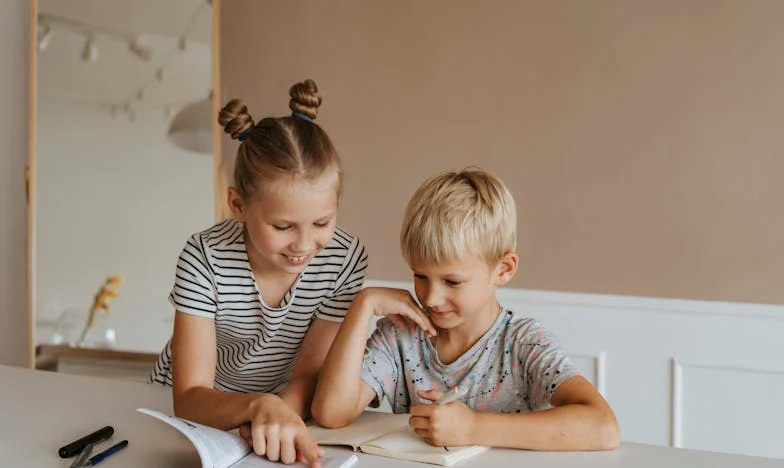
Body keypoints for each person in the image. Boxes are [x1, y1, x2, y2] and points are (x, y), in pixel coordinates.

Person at [312, 168, 619, 451]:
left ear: (503, 269)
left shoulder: (524, 344)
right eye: (420, 276)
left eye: (452, 281)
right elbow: (331, 413)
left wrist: (472, 428)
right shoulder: (400, 336)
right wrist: (363, 305)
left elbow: (603, 428)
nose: (431, 298)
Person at [150, 79, 368, 466]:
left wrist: (274, 414)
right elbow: (188, 395)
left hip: (279, 410)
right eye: (283, 227)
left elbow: (309, 375)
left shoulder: (345, 258)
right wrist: (257, 408)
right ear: (237, 204)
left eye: (322, 222)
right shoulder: (205, 257)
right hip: (196, 412)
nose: (303, 245)